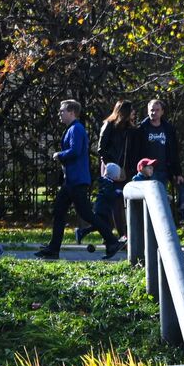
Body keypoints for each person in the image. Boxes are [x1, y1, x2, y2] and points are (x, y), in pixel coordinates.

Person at [33, 100, 114, 260]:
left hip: (76, 180)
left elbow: (75, 151)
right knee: (59, 212)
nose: (59, 114)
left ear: (72, 112)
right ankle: (53, 248)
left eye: (62, 111)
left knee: (85, 214)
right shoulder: (73, 128)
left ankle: (112, 240)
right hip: (72, 180)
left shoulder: (76, 129)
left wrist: (59, 155)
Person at [135, 99, 184, 223]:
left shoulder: (168, 129)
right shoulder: (141, 129)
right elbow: (136, 151)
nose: (154, 112)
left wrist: (177, 173)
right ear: (148, 111)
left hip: (165, 169)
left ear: (162, 112)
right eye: (151, 110)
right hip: (148, 171)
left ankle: (177, 217)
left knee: (179, 192)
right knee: (154, 201)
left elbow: (174, 152)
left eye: (157, 110)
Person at [98, 100, 139, 234]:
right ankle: (121, 234)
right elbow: (101, 148)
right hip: (113, 169)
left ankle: (125, 233)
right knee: (116, 202)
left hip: (126, 169)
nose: (134, 113)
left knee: (124, 202)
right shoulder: (109, 125)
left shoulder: (130, 129)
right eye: (131, 110)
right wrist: (112, 166)